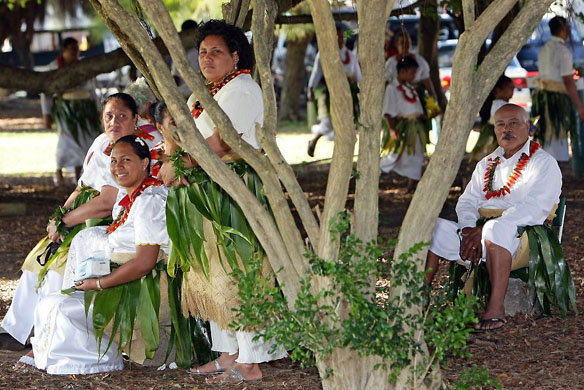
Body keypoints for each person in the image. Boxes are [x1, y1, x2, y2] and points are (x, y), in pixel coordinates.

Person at [157, 20, 286, 383]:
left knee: (238, 270)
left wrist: (178, 163)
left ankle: (251, 361)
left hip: (233, 190)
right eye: (202, 52)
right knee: (213, 273)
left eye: (216, 52)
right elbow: (184, 138)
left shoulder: (243, 90)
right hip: (204, 191)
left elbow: (223, 143)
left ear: (235, 55)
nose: (207, 58)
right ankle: (229, 353)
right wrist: (172, 157)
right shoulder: (202, 94)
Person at [1, 93, 162, 352]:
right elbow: (80, 187)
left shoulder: (140, 147)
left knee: (57, 269)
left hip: (105, 219)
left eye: (122, 116)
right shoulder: (100, 143)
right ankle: (17, 328)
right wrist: (57, 218)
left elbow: (107, 202)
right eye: (109, 116)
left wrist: (66, 222)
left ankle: (44, 335)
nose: (114, 122)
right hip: (79, 214)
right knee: (39, 256)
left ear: (135, 119)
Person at [26, 135, 169, 374]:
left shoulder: (149, 201)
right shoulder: (127, 197)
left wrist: (100, 283)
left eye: (126, 159)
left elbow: (145, 262)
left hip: (139, 288)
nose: (117, 167)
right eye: (113, 161)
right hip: (115, 279)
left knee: (61, 308)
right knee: (49, 303)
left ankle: (92, 362)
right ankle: (59, 358)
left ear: (145, 163)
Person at [424, 104, 562, 331]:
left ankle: (495, 309)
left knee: (494, 230)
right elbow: (467, 201)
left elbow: (535, 207)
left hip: (523, 237)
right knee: (431, 228)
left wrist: (485, 229)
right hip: (478, 236)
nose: (506, 129)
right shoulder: (487, 163)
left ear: (528, 126)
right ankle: (419, 299)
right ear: (494, 130)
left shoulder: (543, 163)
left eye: (513, 123)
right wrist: (468, 229)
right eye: (500, 124)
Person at [41, 37, 101, 186]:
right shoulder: (53, 67)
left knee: (85, 139)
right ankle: (59, 171)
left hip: (85, 109)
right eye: (71, 49)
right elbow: (46, 93)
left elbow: (93, 90)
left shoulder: (84, 66)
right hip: (65, 108)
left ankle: (78, 173)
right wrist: (46, 114)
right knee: (66, 139)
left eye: (76, 49)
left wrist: (99, 110)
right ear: (64, 50)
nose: (75, 52)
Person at [532, 16, 584, 161]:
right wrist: (579, 106)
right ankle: (555, 168)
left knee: (547, 134)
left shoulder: (544, 49)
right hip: (556, 99)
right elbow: (568, 81)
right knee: (556, 132)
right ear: (563, 30)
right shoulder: (563, 51)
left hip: (542, 96)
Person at [306, 22, 362, 157]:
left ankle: (343, 152)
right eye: (337, 37)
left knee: (347, 122)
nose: (340, 40)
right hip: (330, 93)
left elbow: (358, 76)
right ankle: (313, 141)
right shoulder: (324, 54)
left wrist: (358, 85)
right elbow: (316, 73)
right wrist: (311, 88)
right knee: (328, 121)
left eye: (342, 37)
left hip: (348, 94)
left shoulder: (350, 55)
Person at [379, 56, 430, 192]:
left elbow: (415, 107)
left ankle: (412, 184)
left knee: (417, 154)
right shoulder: (392, 88)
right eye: (412, 72)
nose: (414, 75)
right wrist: (392, 129)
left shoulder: (410, 88)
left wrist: (425, 115)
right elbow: (387, 112)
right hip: (403, 126)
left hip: (416, 125)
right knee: (395, 155)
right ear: (402, 71)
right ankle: (376, 170)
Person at [470, 75, 515, 162]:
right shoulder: (499, 105)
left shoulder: (502, 104)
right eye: (510, 88)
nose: (512, 91)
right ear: (499, 90)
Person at [384, 31, 436, 99]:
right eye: (402, 43)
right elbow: (386, 85)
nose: (406, 45)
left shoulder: (420, 61)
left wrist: (434, 103)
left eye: (408, 42)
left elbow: (428, 85)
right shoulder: (390, 63)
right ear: (396, 44)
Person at [171, 19, 200, 98]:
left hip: (186, 93)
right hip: (193, 91)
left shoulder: (178, 54)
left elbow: (176, 79)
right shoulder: (200, 50)